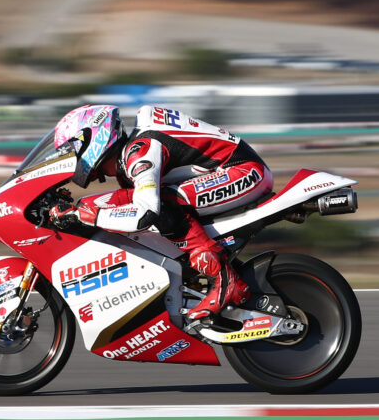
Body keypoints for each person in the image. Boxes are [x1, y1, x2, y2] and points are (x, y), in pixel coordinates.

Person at [48, 104, 273, 321]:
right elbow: (121, 202)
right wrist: (80, 209)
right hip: (226, 172)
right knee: (108, 203)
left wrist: (89, 216)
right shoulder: (129, 158)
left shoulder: (140, 152)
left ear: (93, 138)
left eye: (72, 149)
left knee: (164, 203)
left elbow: (144, 214)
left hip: (244, 171)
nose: (72, 157)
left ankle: (225, 279)